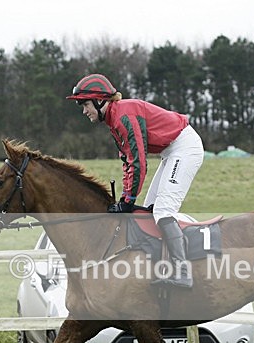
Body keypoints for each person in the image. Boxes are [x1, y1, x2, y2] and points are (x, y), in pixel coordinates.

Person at [66, 73, 204, 288]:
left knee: (163, 211)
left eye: (85, 105)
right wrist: (124, 199)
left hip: (185, 147)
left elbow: (139, 162)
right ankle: (161, 267)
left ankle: (183, 272)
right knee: (148, 212)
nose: (84, 111)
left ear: (100, 101)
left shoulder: (123, 115)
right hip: (171, 151)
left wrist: (128, 200)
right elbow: (128, 163)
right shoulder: (113, 120)